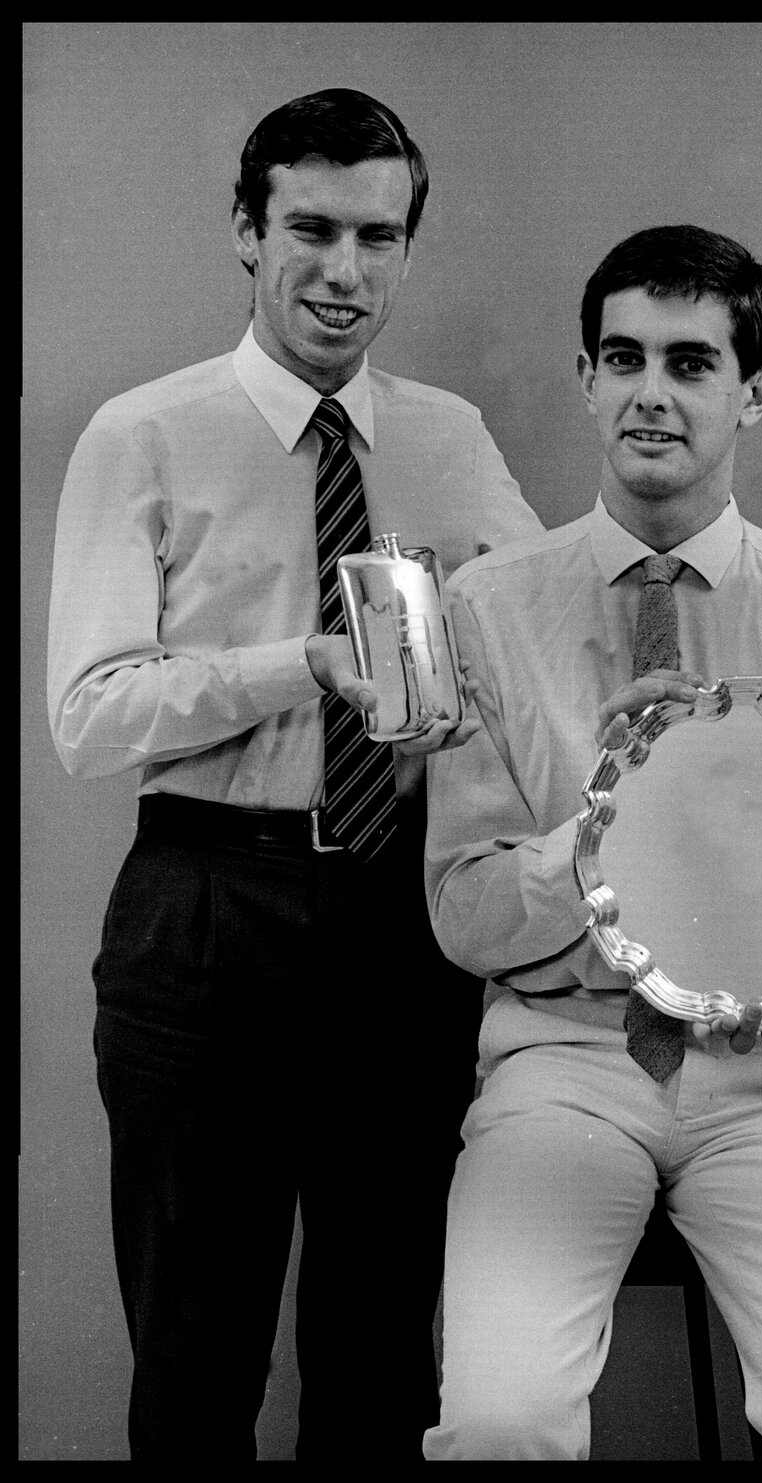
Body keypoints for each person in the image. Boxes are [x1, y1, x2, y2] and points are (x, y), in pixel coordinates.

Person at [46, 88, 542, 1463]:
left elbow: (533, 648)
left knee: (386, 1347)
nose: (344, 271)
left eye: (377, 238)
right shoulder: (142, 434)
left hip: (402, 926)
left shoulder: (445, 438)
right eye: (312, 229)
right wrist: (300, 665)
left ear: (404, 250)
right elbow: (88, 718)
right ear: (246, 233)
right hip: (208, 909)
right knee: (197, 1352)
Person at [422, 225, 762, 1461]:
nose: (651, 392)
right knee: (494, 1424)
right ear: (587, 377)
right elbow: (465, 915)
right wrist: (606, 829)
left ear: (752, 390)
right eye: (623, 357)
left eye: (692, 362)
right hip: (560, 1066)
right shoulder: (483, 613)